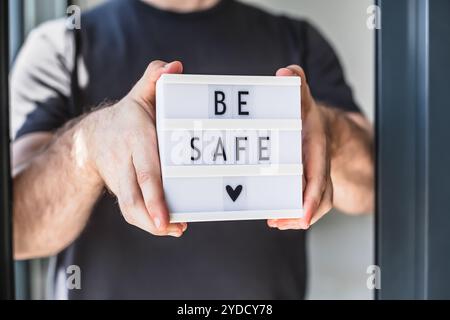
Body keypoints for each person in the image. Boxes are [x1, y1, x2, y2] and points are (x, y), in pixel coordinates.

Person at [11, 0, 374, 299]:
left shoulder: (299, 41)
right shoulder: (62, 45)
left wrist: (330, 133)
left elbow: (372, 190)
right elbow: (18, 229)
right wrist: (86, 149)